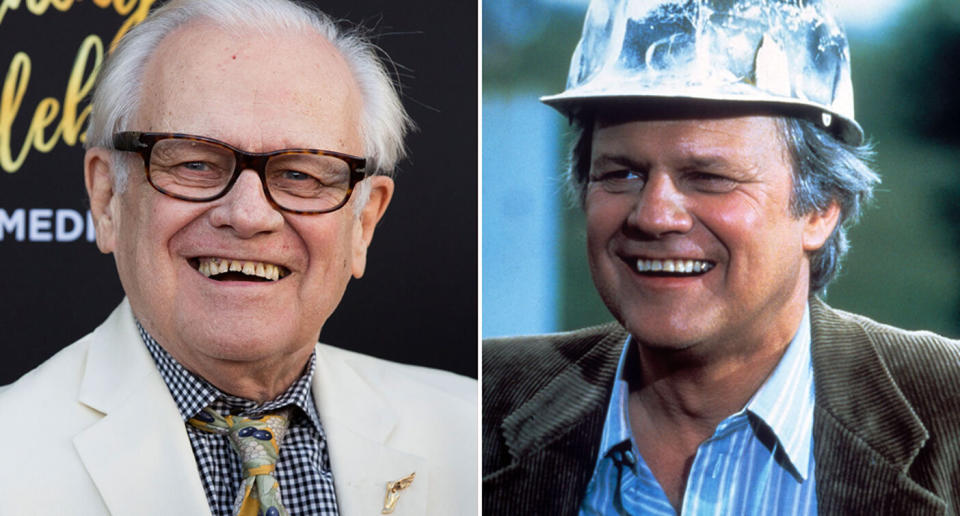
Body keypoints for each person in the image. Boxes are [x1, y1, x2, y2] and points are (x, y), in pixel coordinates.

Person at [482, 0, 960, 514]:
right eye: (621, 173)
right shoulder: (485, 398)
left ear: (820, 208)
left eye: (709, 177)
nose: (654, 215)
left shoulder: (948, 408)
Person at [0, 1, 476, 515]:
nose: (248, 215)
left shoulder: (470, 429)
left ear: (363, 222)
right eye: (196, 163)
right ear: (106, 198)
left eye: (301, 175)